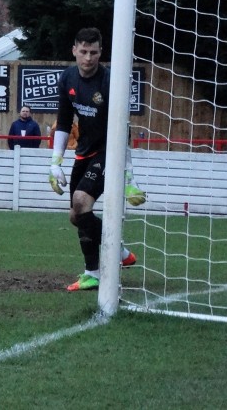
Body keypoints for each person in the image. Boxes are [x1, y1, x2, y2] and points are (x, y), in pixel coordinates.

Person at [49, 27, 146, 292]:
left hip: (109, 151)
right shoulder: (67, 78)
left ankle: (92, 273)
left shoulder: (110, 82)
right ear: (74, 51)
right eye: (83, 52)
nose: (88, 58)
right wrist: (55, 162)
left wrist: (128, 176)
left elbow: (122, 128)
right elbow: (65, 122)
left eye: (93, 52)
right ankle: (121, 252)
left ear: (101, 52)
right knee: (75, 215)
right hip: (84, 151)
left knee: (81, 202)